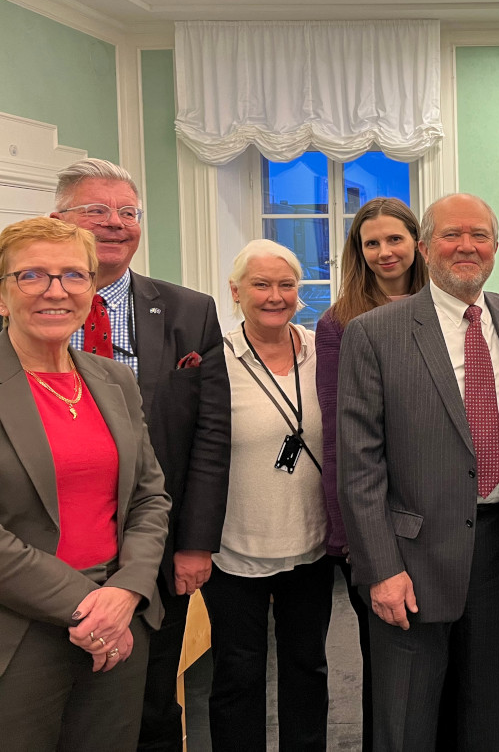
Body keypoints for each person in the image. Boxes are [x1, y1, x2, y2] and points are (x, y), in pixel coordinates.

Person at [338, 193, 499, 751]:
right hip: (412, 555)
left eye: (480, 235)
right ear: (426, 248)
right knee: (407, 719)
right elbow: (359, 465)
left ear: (496, 248)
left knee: (490, 711)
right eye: (452, 235)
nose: (467, 247)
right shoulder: (376, 333)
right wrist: (381, 569)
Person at [50, 158, 231, 752]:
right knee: (48, 700)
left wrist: (196, 542)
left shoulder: (189, 311)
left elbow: (209, 434)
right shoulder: (27, 313)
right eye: (96, 209)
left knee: (153, 703)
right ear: (58, 219)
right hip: (49, 546)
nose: (115, 223)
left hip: (156, 545)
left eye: (127, 212)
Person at [0, 216, 170, 751]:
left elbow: (148, 497)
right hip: (18, 631)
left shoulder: (113, 378)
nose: (56, 291)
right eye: (32, 276)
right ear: (3, 295)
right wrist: (87, 605)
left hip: (121, 619)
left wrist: (125, 592)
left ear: (92, 291)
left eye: (74, 275)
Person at [207, 239, 331, 752]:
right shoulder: (215, 359)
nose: (275, 296)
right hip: (235, 546)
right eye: (261, 285)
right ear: (236, 292)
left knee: (308, 667)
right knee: (238, 673)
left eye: (286, 284)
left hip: (312, 543)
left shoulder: (322, 350)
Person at [316, 197, 428, 751]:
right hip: (376, 518)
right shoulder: (339, 324)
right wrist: (350, 538)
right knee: (387, 663)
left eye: (395, 239)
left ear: (417, 242)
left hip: (438, 515)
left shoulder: (449, 309)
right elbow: (343, 440)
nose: (385, 252)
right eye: (371, 243)